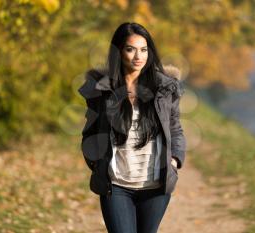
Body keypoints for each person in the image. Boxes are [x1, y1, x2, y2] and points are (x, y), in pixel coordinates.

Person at [78, 22, 187, 233]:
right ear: (118, 52)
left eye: (144, 49)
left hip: (155, 187)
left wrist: (174, 160)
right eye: (130, 49)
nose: (139, 56)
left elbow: (175, 129)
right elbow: (90, 131)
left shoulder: (164, 88)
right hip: (116, 186)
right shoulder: (102, 90)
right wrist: (97, 163)